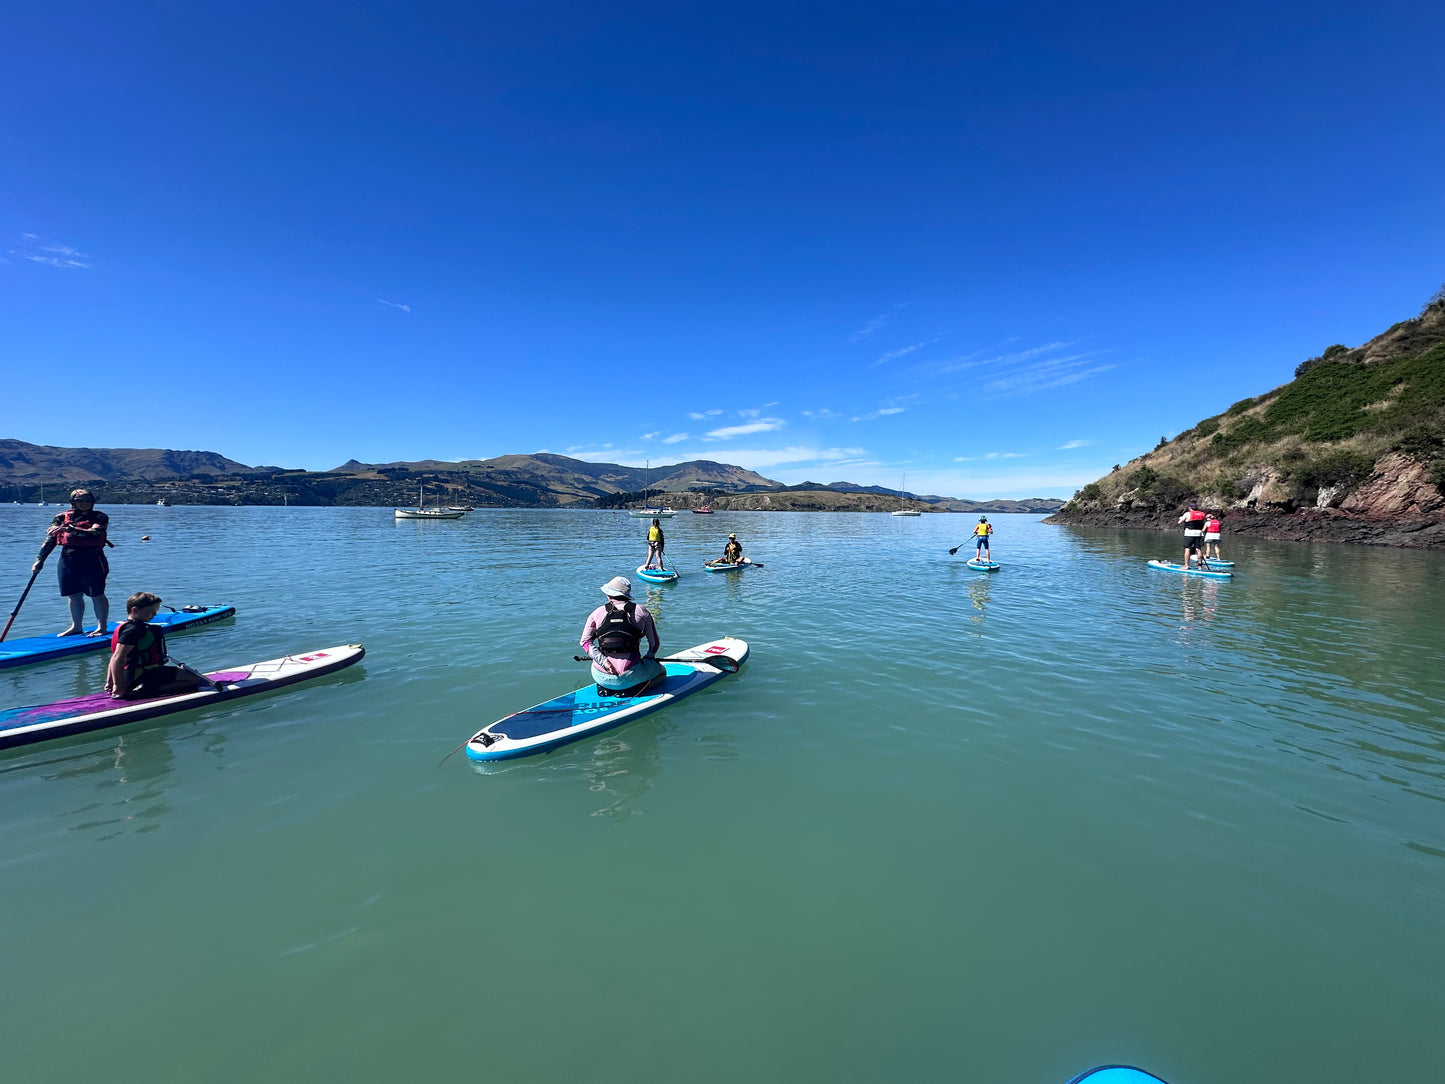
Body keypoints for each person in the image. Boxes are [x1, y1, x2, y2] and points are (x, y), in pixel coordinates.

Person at [32, 488, 112, 637]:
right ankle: (76, 626)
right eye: (80, 501)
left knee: (97, 593)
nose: (84, 504)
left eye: (88, 501)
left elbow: (96, 533)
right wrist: (39, 560)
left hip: (93, 559)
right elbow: (51, 540)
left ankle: (102, 626)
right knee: (73, 594)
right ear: (72, 502)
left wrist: (69, 529)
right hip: (68, 559)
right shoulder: (61, 518)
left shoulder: (100, 517)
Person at [105, 591, 214, 699]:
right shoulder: (135, 630)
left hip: (133, 674)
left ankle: (142, 686)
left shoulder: (123, 627)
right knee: (193, 678)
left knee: (185, 674)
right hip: (142, 674)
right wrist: (118, 686)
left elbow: (114, 657)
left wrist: (110, 681)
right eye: (150, 611)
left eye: (155, 611)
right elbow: (118, 657)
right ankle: (147, 690)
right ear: (135, 610)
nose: (154, 615)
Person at [580, 577, 663, 695]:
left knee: (599, 667)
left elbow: (585, 642)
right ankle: (633, 688)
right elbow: (654, 644)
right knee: (661, 671)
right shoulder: (642, 611)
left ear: (609, 595)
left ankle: (605, 688)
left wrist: (604, 662)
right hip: (630, 674)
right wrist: (649, 658)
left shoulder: (597, 612)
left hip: (600, 675)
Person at [1178, 500, 1208, 567]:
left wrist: (1181, 518)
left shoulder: (1187, 514)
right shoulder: (1203, 514)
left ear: (1190, 508)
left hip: (1189, 533)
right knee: (1198, 548)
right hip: (1199, 533)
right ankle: (1200, 565)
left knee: (1187, 548)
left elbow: (1179, 522)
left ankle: (1186, 566)